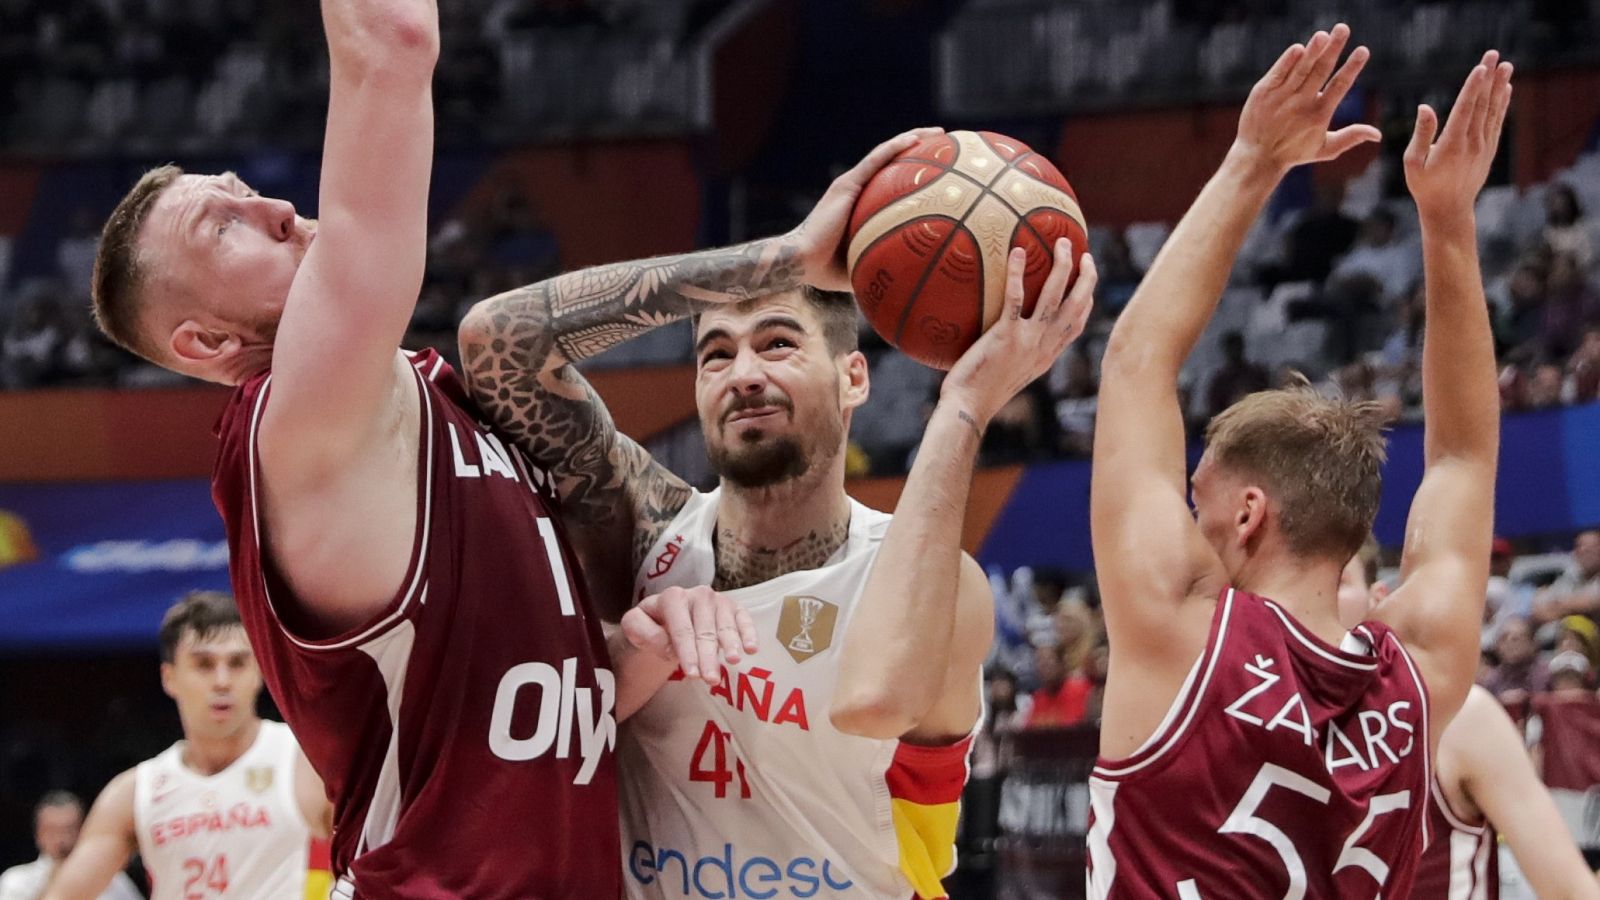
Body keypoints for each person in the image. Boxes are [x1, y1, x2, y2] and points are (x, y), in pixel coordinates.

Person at [85, 0, 738, 890]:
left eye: (243, 187)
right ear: (202, 345)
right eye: (224, 223)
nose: (274, 205)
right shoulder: (300, 425)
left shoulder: (437, 402)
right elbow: (391, 40)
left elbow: (496, 731)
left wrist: (628, 657)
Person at [458, 127, 1096, 898]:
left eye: (778, 342)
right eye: (716, 354)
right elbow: (498, 340)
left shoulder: (932, 584)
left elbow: (880, 698)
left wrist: (964, 404)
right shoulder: (647, 530)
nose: (744, 374)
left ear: (854, 377)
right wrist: (785, 257)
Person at [1086, 26, 1511, 897]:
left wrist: (1253, 158)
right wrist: (1448, 222)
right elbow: (1464, 456)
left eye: (1195, 498)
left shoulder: (1178, 629)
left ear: (1247, 513)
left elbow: (1136, 358)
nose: (1188, 520)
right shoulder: (1419, 676)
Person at [1338, 546, 1599, 899]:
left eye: (1337, 581)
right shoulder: (1263, 725)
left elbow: (1572, 891)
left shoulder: (1458, 719)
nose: (1314, 600)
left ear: (1378, 598)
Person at [42, 593, 331, 900]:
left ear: (259, 672)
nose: (222, 681)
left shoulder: (309, 762)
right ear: (169, 677)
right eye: (204, 664)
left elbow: (377, 866)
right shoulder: (136, 792)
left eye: (237, 663)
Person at [0, 794, 139, 900]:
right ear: (38, 834)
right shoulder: (16, 881)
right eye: (52, 831)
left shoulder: (112, 879)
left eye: (69, 829)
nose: (62, 839)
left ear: (83, 831)